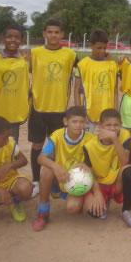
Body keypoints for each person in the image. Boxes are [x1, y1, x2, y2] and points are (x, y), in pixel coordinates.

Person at [28, 19, 77, 196]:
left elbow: (82, 73)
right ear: (44, 34)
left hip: (59, 109)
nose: (53, 35)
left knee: (57, 147)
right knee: (37, 145)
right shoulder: (34, 53)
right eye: (50, 32)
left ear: (62, 35)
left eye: (57, 32)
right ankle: (35, 181)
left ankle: (56, 182)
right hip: (38, 108)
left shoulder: (70, 55)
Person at [31, 106, 93, 231]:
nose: (78, 125)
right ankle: (43, 212)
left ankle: (73, 197)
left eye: (81, 122)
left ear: (85, 123)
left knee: (73, 209)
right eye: (74, 122)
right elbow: (40, 158)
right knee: (47, 170)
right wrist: (55, 166)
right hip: (60, 176)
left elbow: (95, 164)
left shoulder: (90, 139)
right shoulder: (57, 136)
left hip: (76, 181)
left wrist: (86, 165)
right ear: (66, 122)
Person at [82, 109, 131, 227]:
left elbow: (124, 162)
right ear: (100, 126)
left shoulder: (124, 135)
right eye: (108, 125)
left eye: (116, 125)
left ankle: (126, 210)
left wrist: (114, 139)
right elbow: (89, 171)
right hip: (100, 182)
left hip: (118, 180)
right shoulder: (89, 144)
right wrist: (97, 193)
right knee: (94, 213)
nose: (112, 128)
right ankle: (105, 198)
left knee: (129, 171)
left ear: (121, 125)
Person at [0, 23, 30, 142]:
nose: (13, 40)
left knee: (10, 148)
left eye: (17, 37)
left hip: (13, 114)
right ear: (2, 39)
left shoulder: (25, 61)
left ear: (21, 40)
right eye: (9, 36)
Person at [74, 30, 118, 131]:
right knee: (89, 144)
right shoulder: (82, 64)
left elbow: (115, 91)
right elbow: (76, 90)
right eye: (99, 48)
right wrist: (80, 113)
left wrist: (115, 112)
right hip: (88, 114)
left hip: (108, 114)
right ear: (91, 46)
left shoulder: (112, 65)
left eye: (104, 48)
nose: (102, 51)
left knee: (106, 144)